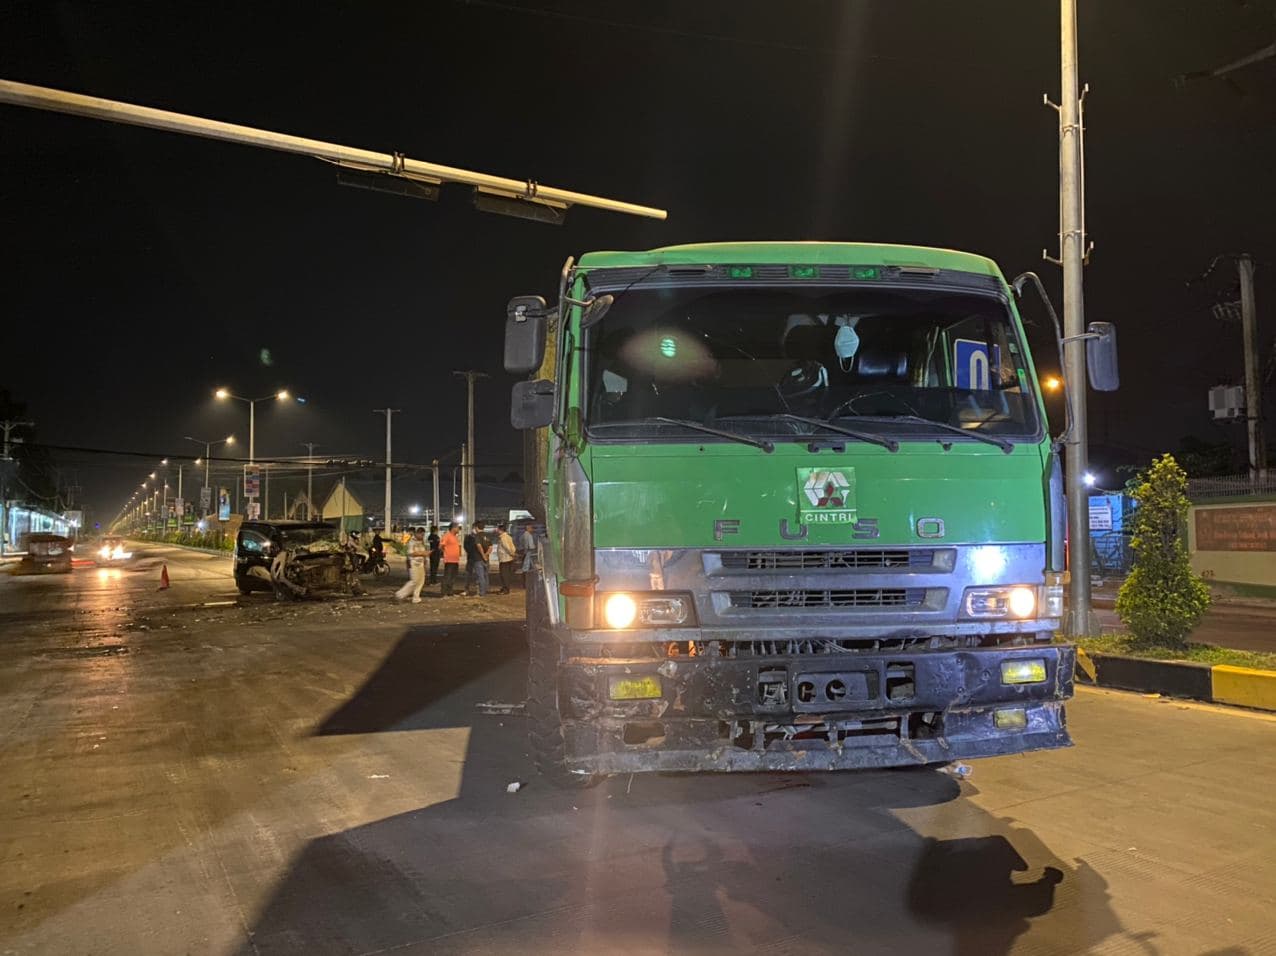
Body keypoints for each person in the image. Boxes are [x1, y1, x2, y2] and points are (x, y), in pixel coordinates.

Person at [395, 526, 428, 604]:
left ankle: (416, 597)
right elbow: (410, 553)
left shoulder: (421, 541)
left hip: (421, 563)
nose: (422, 536)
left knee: (421, 581)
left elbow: (423, 551)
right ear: (418, 533)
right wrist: (422, 553)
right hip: (414, 563)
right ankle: (400, 594)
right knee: (414, 581)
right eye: (422, 535)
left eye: (423, 535)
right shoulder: (411, 541)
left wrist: (425, 559)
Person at [464, 521, 490, 597]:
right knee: (479, 575)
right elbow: (466, 547)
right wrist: (486, 555)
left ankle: (482, 591)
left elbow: (479, 546)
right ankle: (471, 589)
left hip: (478, 559)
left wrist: (483, 555)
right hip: (475, 558)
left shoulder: (478, 536)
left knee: (481, 575)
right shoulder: (484, 536)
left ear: (475, 527)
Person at [439, 522, 462, 596]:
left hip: (455, 560)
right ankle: (444, 593)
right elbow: (441, 546)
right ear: (453, 528)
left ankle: (450, 592)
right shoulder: (447, 535)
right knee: (447, 576)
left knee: (453, 577)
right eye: (457, 527)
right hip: (449, 560)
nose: (459, 529)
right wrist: (446, 553)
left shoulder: (455, 536)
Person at [494, 522, 517, 594]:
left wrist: (512, 554)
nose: (496, 530)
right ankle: (505, 588)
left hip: (504, 559)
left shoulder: (503, 538)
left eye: (497, 529)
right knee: (506, 574)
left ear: (501, 530)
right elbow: (513, 547)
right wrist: (513, 553)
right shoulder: (508, 537)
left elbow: (507, 547)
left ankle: (505, 589)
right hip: (509, 558)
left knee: (504, 575)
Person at [519, 521, 537, 586]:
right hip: (529, 553)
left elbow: (521, 544)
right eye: (531, 528)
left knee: (525, 568)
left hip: (525, 553)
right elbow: (531, 546)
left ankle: (524, 583)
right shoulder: (529, 536)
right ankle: (527, 583)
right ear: (528, 528)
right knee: (528, 569)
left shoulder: (522, 535)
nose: (532, 529)